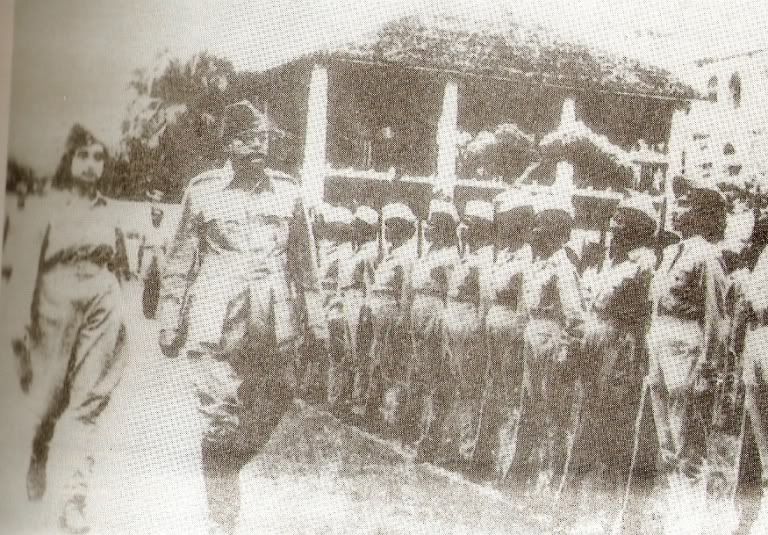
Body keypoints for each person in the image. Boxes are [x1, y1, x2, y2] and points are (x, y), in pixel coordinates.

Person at [157, 100, 328, 535]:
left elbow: (305, 266)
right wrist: (170, 319)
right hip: (215, 321)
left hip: (274, 323)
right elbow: (179, 261)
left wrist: (317, 323)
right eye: (248, 139)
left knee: (277, 401)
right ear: (228, 143)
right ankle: (222, 519)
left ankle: (223, 466)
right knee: (221, 418)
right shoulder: (203, 191)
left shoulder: (288, 192)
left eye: (264, 139)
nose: (258, 147)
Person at [12, 124, 129, 533]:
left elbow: (120, 267)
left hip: (101, 299)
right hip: (53, 302)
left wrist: (118, 315)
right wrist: (17, 328)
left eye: (99, 157)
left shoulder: (110, 211)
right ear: (68, 158)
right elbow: (25, 268)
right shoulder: (45, 206)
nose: (92, 164)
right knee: (46, 401)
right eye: (83, 156)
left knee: (88, 402)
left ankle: (73, 500)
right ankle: (37, 453)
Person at [575, 194, 658, 497]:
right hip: (597, 336)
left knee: (614, 410)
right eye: (614, 219)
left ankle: (610, 483)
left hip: (619, 343)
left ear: (637, 227)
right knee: (590, 407)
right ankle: (588, 481)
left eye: (621, 220)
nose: (613, 226)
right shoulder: (612, 260)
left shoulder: (642, 264)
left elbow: (633, 308)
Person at [647, 181, 729, 485]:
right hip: (661, 345)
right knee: (665, 440)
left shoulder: (707, 256)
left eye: (684, 205)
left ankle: (688, 516)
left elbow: (715, 318)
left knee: (687, 441)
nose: (675, 211)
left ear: (701, 213)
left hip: (687, 350)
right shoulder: (671, 253)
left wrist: (706, 368)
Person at [518, 193, 584, 495]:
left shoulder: (562, 267)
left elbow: (573, 316)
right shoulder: (538, 263)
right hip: (534, 335)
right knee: (533, 406)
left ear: (555, 232)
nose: (534, 232)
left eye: (540, 226)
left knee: (553, 411)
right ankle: (532, 470)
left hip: (551, 340)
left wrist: (567, 351)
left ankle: (551, 475)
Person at [439, 199, 495, 469]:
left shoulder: (483, 259)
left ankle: (468, 450)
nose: (463, 228)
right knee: (458, 386)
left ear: (482, 228)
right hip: (454, 322)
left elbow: (484, 300)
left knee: (469, 389)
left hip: (469, 325)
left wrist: (479, 332)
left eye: (469, 224)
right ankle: (455, 443)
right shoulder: (466, 256)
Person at [404, 196, 460, 459]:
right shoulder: (428, 254)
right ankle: (416, 431)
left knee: (436, 379)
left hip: (434, 316)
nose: (427, 227)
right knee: (420, 376)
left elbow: (450, 293)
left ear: (445, 228)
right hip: (419, 312)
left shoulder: (448, 257)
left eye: (434, 223)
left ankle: (432, 438)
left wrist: (440, 326)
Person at [487, 189, 535, 480]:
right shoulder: (505, 255)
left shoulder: (527, 258)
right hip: (496, 329)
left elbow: (524, 304)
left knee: (513, 398)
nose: (502, 226)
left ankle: (510, 464)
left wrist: (517, 339)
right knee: (498, 394)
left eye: (508, 221)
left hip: (513, 335)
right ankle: (496, 457)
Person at [362, 201, 417, 434]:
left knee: (392, 365)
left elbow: (405, 290)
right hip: (379, 314)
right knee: (379, 362)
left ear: (404, 229)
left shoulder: (406, 256)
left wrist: (402, 318)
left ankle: (391, 417)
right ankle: (375, 412)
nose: (387, 230)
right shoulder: (389, 255)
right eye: (386, 226)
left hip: (392, 315)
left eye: (393, 226)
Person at [315, 204, 355, 410]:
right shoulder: (326, 249)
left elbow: (341, 283)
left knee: (338, 352)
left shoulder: (345, 252)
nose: (329, 231)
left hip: (336, 306)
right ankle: (324, 392)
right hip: (322, 303)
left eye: (334, 228)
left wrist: (336, 304)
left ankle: (336, 397)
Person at [348, 205, 381, 419]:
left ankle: (361, 402)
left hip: (361, 303)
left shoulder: (369, 252)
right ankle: (355, 397)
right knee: (354, 353)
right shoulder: (358, 250)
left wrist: (366, 309)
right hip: (351, 301)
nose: (353, 229)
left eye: (358, 226)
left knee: (362, 355)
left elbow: (370, 284)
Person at [139, 189, 167, 319]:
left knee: (157, 284)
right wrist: (139, 265)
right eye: (154, 215)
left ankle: (154, 309)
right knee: (147, 283)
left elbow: (166, 248)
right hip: (148, 253)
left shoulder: (164, 230)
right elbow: (141, 247)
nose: (156, 217)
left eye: (158, 215)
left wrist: (165, 263)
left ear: (162, 217)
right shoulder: (146, 227)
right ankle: (146, 310)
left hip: (159, 254)